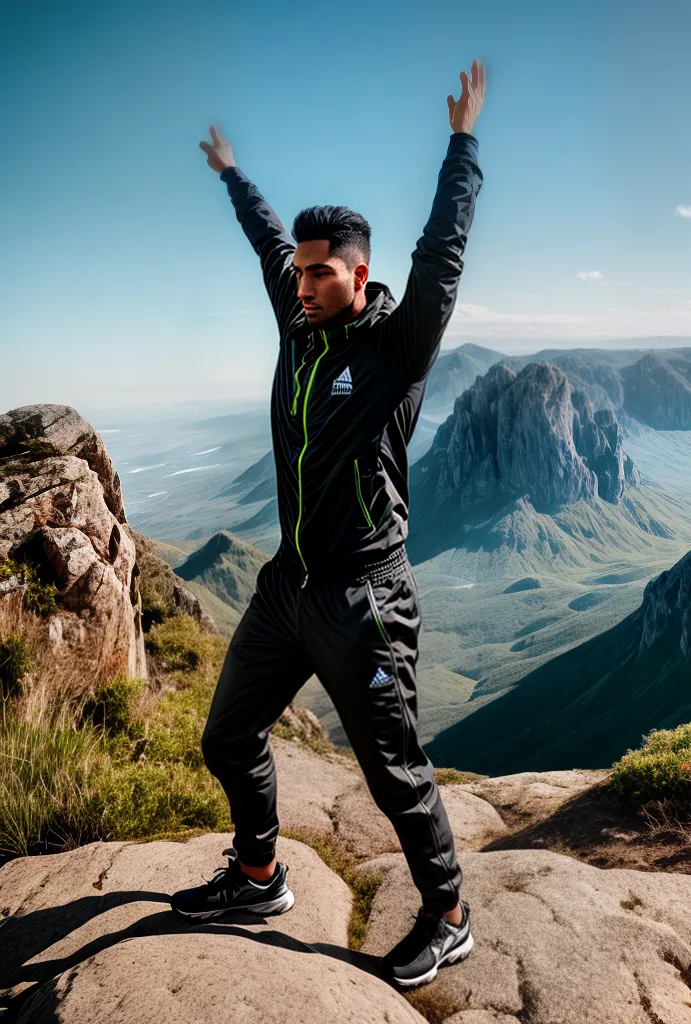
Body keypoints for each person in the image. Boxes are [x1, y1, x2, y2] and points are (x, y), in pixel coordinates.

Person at [170, 59, 486, 990]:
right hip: (289, 588)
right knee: (227, 736)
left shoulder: (396, 348)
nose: (302, 285)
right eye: (301, 273)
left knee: (393, 771)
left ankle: (449, 915)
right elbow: (267, 238)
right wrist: (233, 174)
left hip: (364, 600)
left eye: (320, 273)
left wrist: (462, 144)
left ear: (359, 275)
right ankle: (259, 874)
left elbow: (442, 256)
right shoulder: (298, 319)